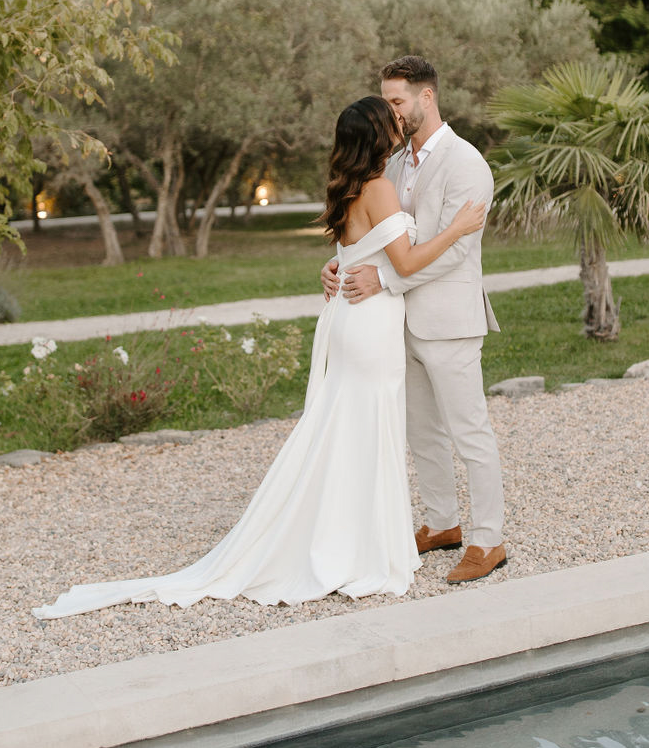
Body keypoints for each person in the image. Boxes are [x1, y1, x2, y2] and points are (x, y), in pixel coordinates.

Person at [33, 96, 484, 617]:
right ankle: (360, 548)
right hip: (368, 324)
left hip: (351, 321)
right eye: (392, 121)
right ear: (378, 136)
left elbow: (355, 253)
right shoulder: (379, 188)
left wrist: (336, 268)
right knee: (364, 428)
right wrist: (457, 229)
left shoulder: (350, 188)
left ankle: (351, 538)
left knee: (348, 428)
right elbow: (402, 262)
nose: (399, 123)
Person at [321, 55, 507, 584]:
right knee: (421, 431)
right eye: (387, 104)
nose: (392, 113)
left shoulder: (467, 163)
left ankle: (488, 539)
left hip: (448, 319)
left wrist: (385, 280)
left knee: (469, 431)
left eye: (398, 102)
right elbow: (381, 236)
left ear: (427, 97)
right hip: (395, 322)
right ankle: (443, 523)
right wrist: (342, 263)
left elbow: (451, 250)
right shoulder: (394, 162)